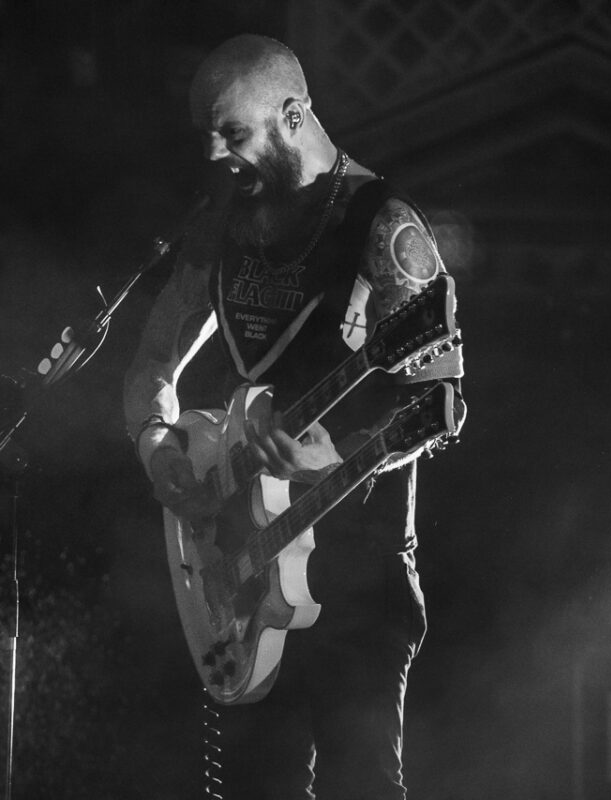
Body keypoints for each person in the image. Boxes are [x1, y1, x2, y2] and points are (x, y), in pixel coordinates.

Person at [123, 33, 463, 799]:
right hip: (240, 568)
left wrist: (337, 457)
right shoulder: (226, 222)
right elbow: (151, 362)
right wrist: (155, 445)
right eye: (206, 135)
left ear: (294, 113)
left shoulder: (387, 227)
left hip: (356, 567)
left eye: (231, 132)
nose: (214, 154)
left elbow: (436, 405)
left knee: (361, 783)